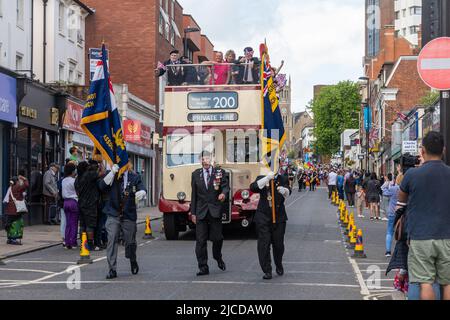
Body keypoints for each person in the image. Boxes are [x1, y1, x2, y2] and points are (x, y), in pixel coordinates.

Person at [397, 131, 450, 300]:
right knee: (447, 282)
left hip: (420, 236)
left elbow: (401, 202)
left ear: (422, 151)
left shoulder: (412, 175)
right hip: (447, 236)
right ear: (444, 150)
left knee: (425, 282)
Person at [99, 164, 147, 280]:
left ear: (128, 164)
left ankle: (132, 259)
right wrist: (112, 173)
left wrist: (143, 192)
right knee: (112, 240)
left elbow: (142, 187)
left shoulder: (134, 176)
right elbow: (101, 186)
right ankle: (112, 269)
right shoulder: (111, 175)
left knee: (130, 242)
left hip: (128, 214)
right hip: (113, 213)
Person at [190, 151, 229, 276]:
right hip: (201, 211)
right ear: (200, 161)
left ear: (211, 159)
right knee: (200, 241)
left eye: (207, 158)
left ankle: (217, 257)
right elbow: (194, 195)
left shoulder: (219, 172)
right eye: (202, 159)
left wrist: (223, 194)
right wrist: (193, 213)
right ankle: (203, 267)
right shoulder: (196, 174)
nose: (205, 161)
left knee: (217, 238)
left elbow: (225, 187)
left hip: (214, 210)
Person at [250, 167, 291, 280]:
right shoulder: (261, 178)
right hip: (263, 216)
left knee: (278, 245)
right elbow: (253, 187)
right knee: (264, 245)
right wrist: (267, 178)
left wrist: (285, 191)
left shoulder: (283, 178)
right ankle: (267, 270)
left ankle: (278, 263)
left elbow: (289, 191)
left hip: (279, 217)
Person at [75, 160, 100, 251]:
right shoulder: (89, 175)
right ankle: (90, 244)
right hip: (90, 204)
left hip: (81, 203)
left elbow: (77, 192)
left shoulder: (77, 179)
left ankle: (83, 242)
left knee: (82, 224)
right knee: (90, 225)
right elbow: (101, 173)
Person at [3, 174, 29, 245]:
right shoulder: (17, 187)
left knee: (10, 223)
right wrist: (24, 178)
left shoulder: (11, 187)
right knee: (17, 223)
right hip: (15, 210)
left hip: (10, 210)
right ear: (16, 182)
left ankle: (10, 239)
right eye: (18, 181)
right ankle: (14, 239)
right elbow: (26, 185)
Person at [381, 174, 401, 257]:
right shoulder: (406, 189)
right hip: (402, 213)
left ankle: (388, 251)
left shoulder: (393, 189)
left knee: (390, 231)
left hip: (392, 212)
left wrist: (387, 182)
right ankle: (399, 251)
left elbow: (383, 190)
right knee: (401, 232)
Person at [62, 163, 79, 250]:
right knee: (74, 223)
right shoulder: (74, 181)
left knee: (68, 223)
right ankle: (73, 242)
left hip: (65, 202)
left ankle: (67, 241)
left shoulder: (63, 180)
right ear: (73, 171)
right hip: (73, 202)